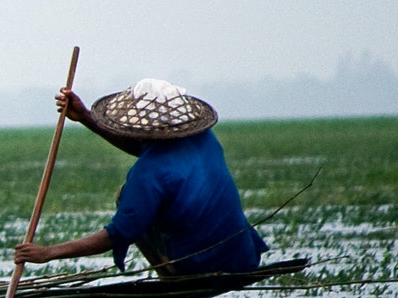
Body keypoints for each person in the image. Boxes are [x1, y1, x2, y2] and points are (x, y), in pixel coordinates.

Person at [13, 79, 266, 278]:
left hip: (199, 266)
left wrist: (48, 253)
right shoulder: (204, 140)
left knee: (126, 196)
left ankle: (172, 273)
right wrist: (86, 118)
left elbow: (120, 233)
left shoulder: (148, 173)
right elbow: (151, 150)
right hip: (243, 256)